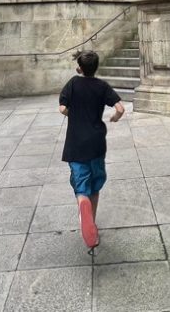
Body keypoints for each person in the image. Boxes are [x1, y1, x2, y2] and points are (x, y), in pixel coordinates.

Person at [58, 50, 125, 250]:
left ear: (79, 68)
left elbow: (62, 108)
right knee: (95, 185)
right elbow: (120, 108)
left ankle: (81, 202)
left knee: (81, 184)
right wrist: (114, 118)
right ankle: (92, 224)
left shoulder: (73, 83)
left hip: (76, 143)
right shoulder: (101, 86)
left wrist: (73, 114)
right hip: (96, 142)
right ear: (96, 67)